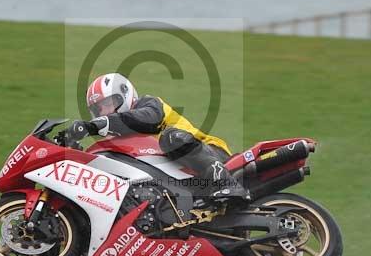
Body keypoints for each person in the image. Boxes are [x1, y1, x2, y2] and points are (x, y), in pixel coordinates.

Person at [71, 72, 249, 202]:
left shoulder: (149, 104)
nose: (105, 112)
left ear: (125, 94)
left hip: (214, 154)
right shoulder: (119, 138)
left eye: (109, 104)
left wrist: (97, 125)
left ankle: (227, 183)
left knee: (170, 137)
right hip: (185, 179)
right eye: (99, 109)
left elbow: (147, 119)